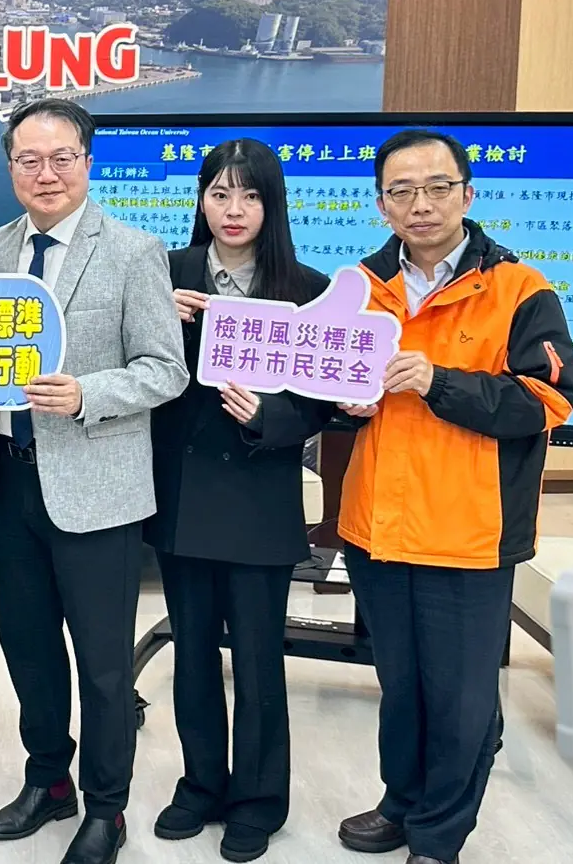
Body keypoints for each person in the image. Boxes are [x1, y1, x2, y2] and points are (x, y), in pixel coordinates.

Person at [336, 129, 573, 864]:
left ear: (467, 194)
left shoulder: (519, 288)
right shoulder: (357, 287)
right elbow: (325, 385)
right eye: (401, 190)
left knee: (462, 699)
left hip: (468, 531)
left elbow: (547, 398)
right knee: (400, 685)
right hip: (377, 526)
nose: (421, 203)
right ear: (381, 205)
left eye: (437, 186)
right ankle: (400, 803)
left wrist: (439, 382)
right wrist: (342, 404)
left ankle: (438, 836)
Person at [0, 98, 188, 864]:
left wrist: (88, 393)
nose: (45, 173)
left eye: (61, 158)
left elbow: (165, 369)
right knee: (26, 647)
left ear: (87, 163)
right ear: (10, 168)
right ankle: (47, 781)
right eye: (28, 160)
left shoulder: (132, 250)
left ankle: (106, 806)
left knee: (101, 662)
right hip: (15, 482)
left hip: (98, 489)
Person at [147, 139, 344, 862]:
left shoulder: (306, 287)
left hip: (259, 499)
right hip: (180, 496)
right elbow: (122, 363)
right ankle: (200, 784)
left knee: (258, 660)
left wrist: (270, 416)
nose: (234, 210)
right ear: (200, 199)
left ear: (272, 204)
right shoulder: (163, 274)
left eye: (250, 195)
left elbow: (324, 400)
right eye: (220, 193)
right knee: (192, 651)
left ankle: (259, 800)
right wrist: (155, 320)